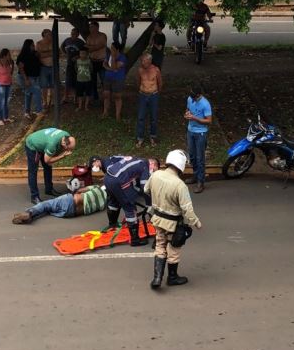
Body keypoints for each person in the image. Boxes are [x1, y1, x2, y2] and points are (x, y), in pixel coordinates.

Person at [145, 149, 202, 289]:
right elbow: (187, 209)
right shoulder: (179, 185)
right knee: (174, 248)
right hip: (173, 223)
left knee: (160, 245)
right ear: (181, 165)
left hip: (157, 218)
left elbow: (146, 190)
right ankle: (172, 277)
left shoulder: (156, 175)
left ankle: (157, 277)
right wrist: (197, 223)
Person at [91, 154, 160, 247]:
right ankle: (135, 239)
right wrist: (149, 204)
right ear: (153, 164)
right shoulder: (145, 165)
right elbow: (145, 188)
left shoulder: (137, 160)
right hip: (118, 181)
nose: (152, 173)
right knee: (130, 207)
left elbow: (134, 183)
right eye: (155, 170)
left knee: (115, 201)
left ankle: (112, 224)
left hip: (108, 179)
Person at [24, 128, 76, 204]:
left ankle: (49, 189)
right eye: (68, 149)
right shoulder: (52, 144)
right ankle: (34, 196)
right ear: (64, 144)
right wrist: (63, 156)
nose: (69, 151)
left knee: (48, 167)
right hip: (33, 145)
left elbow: (51, 158)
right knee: (33, 171)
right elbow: (47, 160)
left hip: (43, 143)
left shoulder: (66, 135)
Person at [12, 184, 107, 224]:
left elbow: (80, 190)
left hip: (70, 201)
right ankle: (32, 216)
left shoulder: (97, 188)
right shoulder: (105, 203)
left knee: (46, 204)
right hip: (71, 213)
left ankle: (29, 213)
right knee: (49, 209)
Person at [185, 85, 212, 193]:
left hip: (201, 133)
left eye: (194, 97)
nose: (192, 99)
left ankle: (201, 182)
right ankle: (195, 175)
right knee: (192, 156)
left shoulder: (205, 104)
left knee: (200, 158)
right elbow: (187, 109)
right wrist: (187, 114)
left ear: (199, 95)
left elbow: (209, 121)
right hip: (190, 131)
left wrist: (195, 118)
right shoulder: (190, 99)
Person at [135, 55, 162, 147]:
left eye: (144, 61)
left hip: (153, 95)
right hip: (143, 95)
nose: (142, 63)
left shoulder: (156, 70)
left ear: (149, 61)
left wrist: (156, 93)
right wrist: (141, 90)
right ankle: (140, 138)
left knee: (153, 117)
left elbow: (160, 83)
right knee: (141, 117)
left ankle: (153, 137)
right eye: (141, 61)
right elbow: (138, 81)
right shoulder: (140, 70)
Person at [16, 39, 43, 120]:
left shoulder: (35, 54)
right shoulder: (22, 55)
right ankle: (39, 111)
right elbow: (21, 68)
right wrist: (26, 79)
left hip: (35, 77)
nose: (33, 47)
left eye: (34, 45)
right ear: (28, 46)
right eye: (32, 45)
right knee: (37, 92)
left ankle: (27, 112)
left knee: (28, 94)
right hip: (26, 77)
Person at [102, 42, 127, 121]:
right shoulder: (108, 55)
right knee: (106, 95)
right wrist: (109, 69)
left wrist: (113, 57)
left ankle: (117, 114)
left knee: (117, 96)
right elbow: (104, 64)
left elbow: (114, 66)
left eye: (113, 48)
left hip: (118, 79)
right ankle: (105, 111)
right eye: (111, 47)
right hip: (108, 77)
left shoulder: (122, 58)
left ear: (117, 50)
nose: (111, 49)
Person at [61, 28, 85, 105]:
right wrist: (64, 53)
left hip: (78, 65)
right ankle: (65, 97)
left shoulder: (80, 42)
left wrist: (78, 56)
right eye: (72, 33)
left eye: (75, 33)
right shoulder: (67, 40)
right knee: (68, 81)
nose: (73, 35)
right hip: (69, 64)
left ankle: (76, 98)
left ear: (78, 34)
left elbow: (85, 52)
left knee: (76, 81)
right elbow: (62, 47)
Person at [86, 20, 108, 102]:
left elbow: (99, 46)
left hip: (102, 61)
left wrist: (90, 47)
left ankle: (106, 98)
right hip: (92, 61)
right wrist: (91, 48)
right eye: (90, 27)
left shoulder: (102, 36)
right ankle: (95, 97)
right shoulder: (89, 37)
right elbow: (87, 49)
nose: (91, 29)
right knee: (92, 81)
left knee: (104, 80)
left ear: (97, 27)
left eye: (92, 27)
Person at [36, 29, 56, 109]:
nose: (51, 36)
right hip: (43, 67)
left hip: (53, 66)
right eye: (49, 35)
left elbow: (58, 53)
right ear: (44, 35)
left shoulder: (54, 43)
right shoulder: (39, 43)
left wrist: (46, 54)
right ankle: (44, 101)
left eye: (51, 34)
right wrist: (51, 53)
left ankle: (50, 100)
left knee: (52, 85)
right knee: (44, 86)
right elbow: (39, 55)